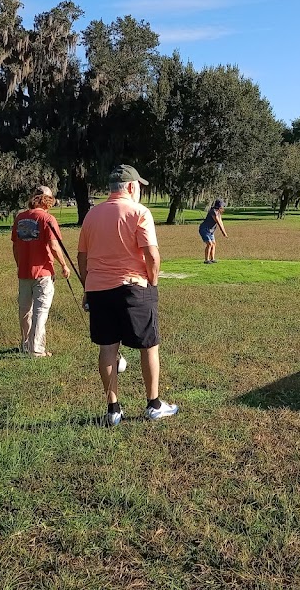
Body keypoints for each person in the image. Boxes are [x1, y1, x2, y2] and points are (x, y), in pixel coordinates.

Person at [77, 164, 178, 426]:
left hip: (99, 289)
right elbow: (151, 254)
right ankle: (154, 404)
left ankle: (113, 409)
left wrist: (88, 287)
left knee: (107, 348)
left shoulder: (91, 215)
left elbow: (82, 257)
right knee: (149, 345)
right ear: (132, 187)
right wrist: (152, 281)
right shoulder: (139, 212)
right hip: (133, 286)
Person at [11, 187, 71, 357]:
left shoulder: (20, 218)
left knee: (25, 310)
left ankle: (26, 344)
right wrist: (64, 265)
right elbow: (54, 245)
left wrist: (20, 264)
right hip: (43, 272)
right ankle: (36, 349)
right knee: (40, 310)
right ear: (47, 200)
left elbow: (15, 245)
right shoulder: (47, 219)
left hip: (24, 271)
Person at [198, 198, 229, 264]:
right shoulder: (213, 212)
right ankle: (206, 260)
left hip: (211, 231)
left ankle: (212, 259)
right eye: (222, 206)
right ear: (219, 206)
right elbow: (218, 222)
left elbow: (221, 222)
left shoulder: (218, 213)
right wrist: (223, 232)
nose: (223, 207)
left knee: (214, 244)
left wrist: (224, 232)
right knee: (209, 244)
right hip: (204, 229)